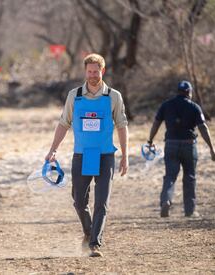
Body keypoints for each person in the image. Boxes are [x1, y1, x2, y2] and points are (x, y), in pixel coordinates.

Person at [45, 53, 129, 257]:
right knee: (79, 201)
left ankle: (95, 244)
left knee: (102, 202)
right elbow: (64, 123)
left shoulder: (113, 96)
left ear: (103, 71)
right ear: (85, 72)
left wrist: (125, 155)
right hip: (82, 155)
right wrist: (53, 149)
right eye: (89, 71)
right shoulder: (75, 95)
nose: (92, 75)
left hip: (106, 156)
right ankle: (88, 231)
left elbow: (122, 125)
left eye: (96, 71)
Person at [147, 80, 215, 218]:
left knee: (170, 176)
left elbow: (156, 123)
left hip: (171, 144)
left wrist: (150, 140)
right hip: (189, 145)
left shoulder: (166, 105)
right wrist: (211, 148)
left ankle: (166, 201)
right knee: (189, 177)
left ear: (178, 91)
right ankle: (190, 210)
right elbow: (203, 128)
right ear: (189, 92)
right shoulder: (194, 107)